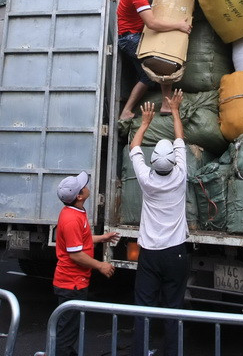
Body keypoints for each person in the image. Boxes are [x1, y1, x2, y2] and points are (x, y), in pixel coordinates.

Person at [129, 91, 189, 356]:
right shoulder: (180, 176)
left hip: (150, 254)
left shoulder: (146, 180)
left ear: (152, 162)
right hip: (175, 251)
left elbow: (134, 149)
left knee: (143, 306)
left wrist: (144, 123)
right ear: (175, 162)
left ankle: (141, 351)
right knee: (173, 307)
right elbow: (180, 139)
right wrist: (175, 110)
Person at [117, 0, 191, 120]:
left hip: (132, 32)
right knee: (162, 58)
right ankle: (161, 105)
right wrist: (179, 25)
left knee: (150, 73)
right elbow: (152, 24)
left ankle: (132, 110)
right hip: (130, 38)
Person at [53, 171, 119, 356]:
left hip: (74, 281)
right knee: (66, 333)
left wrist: (102, 238)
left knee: (69, 329)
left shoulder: (74, 212)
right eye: (84, 186)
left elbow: (80, 240)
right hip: (71, 283)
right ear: (79, 196)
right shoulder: (72, 219)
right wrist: (100, 265)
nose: (87, 186)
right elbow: (76, 254)